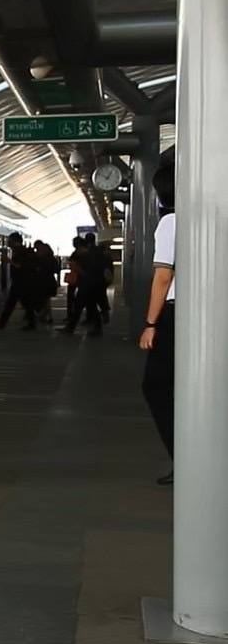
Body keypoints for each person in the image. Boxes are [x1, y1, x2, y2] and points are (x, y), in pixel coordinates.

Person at [140, 148, 176, 486]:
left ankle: (184, 458)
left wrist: (151, 324)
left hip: (175, 316)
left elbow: (163, 277)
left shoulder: (171, 223)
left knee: (155, 386)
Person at [0, 233, 37, 330]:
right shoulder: (18, 250)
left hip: (21, 281)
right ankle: (31, 322)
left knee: (14, 302)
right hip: (20, 281)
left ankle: (2, 323)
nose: (8, 242)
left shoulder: (20, 251)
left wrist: (9, 261)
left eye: (10, 240)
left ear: (15, 241)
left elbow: (20, 265)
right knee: (22, 302)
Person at [65, 237, 84, 325]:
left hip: (76, 276)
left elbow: (72, 263)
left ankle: (71, 316)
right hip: (80, 276)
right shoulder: (83, 253)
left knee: (71, 296)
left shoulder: (76, 253)